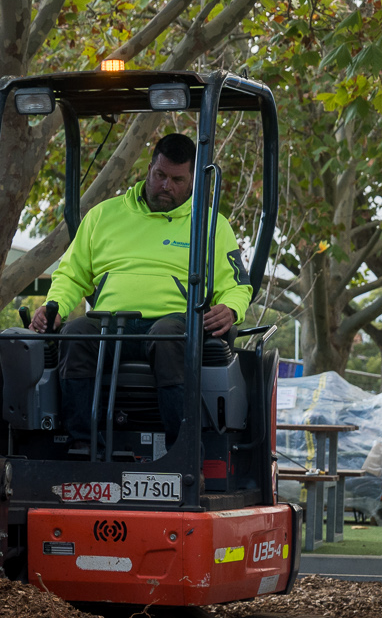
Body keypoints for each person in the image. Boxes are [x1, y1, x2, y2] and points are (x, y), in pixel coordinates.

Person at [34, 132, 251, 445]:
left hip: (172, 323)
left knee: (167, 336)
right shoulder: (103, 216)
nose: (166, 186)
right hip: (110, 323)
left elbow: (236, 284)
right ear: (149, 168)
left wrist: (230, 309)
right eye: (160, 175)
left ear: (193, 180)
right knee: (76, 335)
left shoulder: (211, 225)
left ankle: (183, 450)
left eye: (177, 179)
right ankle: (82, 446)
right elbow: (71, 275)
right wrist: (54, 307)